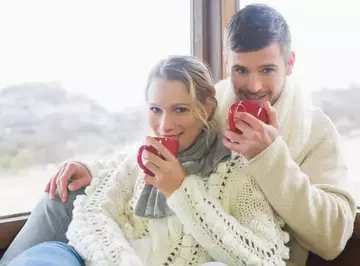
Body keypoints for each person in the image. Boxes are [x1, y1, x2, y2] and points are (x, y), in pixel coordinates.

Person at [1, 4, 356, 266]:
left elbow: (332, 238)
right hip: (149, 239)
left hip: (233, 247)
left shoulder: (316, 130)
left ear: (290, 63)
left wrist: (270, 158)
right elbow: (165, 140)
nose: (253, 85)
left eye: (267, 69)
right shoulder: (211, 104)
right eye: (240, 70)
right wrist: (92, 168)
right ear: (227, 64)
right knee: (62, 192)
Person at [5, 56, 290, 266]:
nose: (164, 125)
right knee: (49, 254)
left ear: (207, 107)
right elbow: (91, 216)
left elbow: (267, 258)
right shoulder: (140, 161)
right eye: (156, 109)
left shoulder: (236, 170)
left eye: (180, 109)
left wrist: (181, 191)